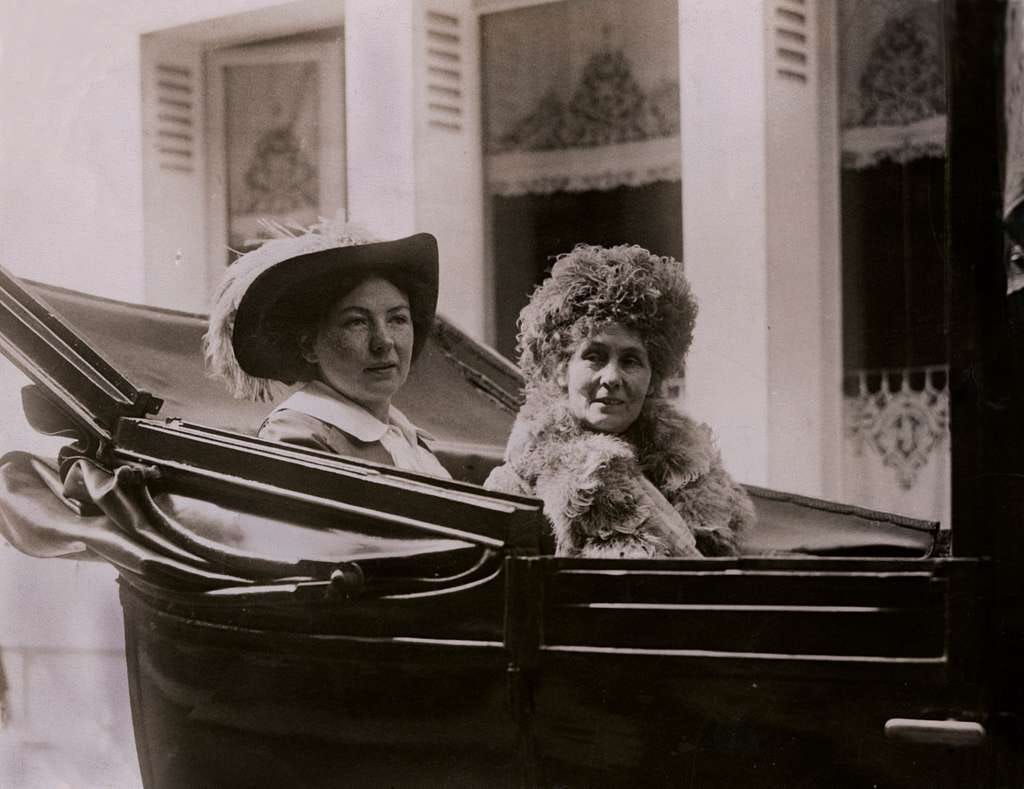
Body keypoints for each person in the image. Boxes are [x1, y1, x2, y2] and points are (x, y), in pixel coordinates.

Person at [484, 243, 754, 557]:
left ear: (652, 377)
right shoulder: (516, 487)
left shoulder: (701, 481)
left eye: (630, 361)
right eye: (594, 357)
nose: (611, 378)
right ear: (561, 369)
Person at [204, 221, 451, 478]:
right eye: (357, 322)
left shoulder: (401, 433)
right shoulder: (298, 438)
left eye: (397, 319)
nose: (384, 341)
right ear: (309, 345)